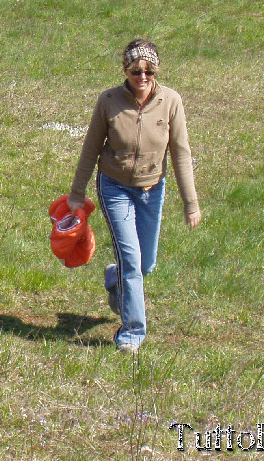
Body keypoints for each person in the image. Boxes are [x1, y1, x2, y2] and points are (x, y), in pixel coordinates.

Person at [67, 39, 201, 354]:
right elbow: (90, 149)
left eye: (149, 71)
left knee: (146, 264)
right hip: (115, 187)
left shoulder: (171, 101)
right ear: (125, 70)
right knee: (132, 260)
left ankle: (115, 278)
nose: (142, 78)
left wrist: (190, 204)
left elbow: (181, 154)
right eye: (136, 71)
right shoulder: (109, 101)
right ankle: (132, 332)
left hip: (152, 189)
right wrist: (77, 193)